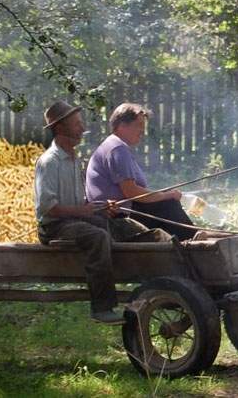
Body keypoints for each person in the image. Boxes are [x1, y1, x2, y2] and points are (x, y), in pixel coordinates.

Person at [34, 100, 126, 325]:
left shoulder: (74, 160)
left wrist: (101, 206)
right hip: (53, 227)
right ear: (59, 128)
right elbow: (49, 208)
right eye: (76, 124)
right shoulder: (49, 162)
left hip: (72, 220)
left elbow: (80, 202)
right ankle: (101, 308)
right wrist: (84, 211)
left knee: (113, 222)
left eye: (80, 122)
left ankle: (125, 270)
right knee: (97, 236)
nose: (82, 127)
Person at [85, 103, 196, 241]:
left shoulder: (113, 146)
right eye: (138, 125)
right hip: (118, 217)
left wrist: (164, 195)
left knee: (166, 203)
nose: (142, 130)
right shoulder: (117, 149)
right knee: (168, 204)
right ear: (122, 125)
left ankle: (191, 236)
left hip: (120, 212)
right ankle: (193, 238)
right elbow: (131, 193)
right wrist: (167, 195)